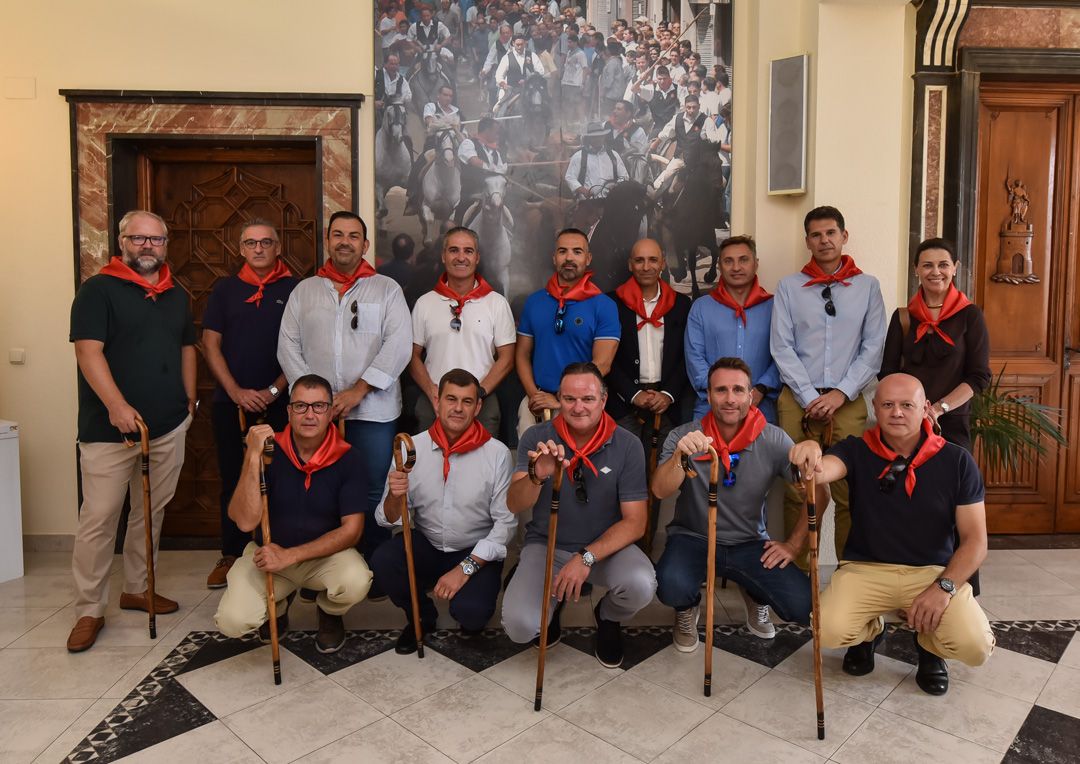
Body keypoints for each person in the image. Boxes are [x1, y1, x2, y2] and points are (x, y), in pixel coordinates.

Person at [789, 373, 995, 695]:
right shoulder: (856, 450)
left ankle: (930, 648)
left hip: (931, 572)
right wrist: (812, 452)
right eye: (887, 404)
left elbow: (976, 542)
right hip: (866, 568)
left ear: (925, 408)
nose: (896, 412)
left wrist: (943, 588)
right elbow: (825, 469)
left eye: (906, 405)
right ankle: (871, 632)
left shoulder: (957, 461)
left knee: (976, 646)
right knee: (826, 631)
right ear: (875, 408)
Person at [67, 210, 196, 652]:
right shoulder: (97, 290)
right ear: (121, 241)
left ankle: (138, 588)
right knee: (99, 519)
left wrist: (189, 402)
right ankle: (89, 609)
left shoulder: (174, 294)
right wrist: (117, 406)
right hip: (110, 430)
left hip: (167, 426)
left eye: (156, 240)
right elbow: (88, 353)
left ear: (166, 245)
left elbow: (186, 347)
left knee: (150, 512)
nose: (147, 246)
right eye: (138, 239)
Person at [277, 212, 412, 586]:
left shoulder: (386, 289)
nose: (345, 242)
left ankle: (371, 566)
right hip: (316, 415)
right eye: (338, 234)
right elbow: (287, 345)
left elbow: (398, 346)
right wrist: (314, 399)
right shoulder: (304, 291)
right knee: (319, 484)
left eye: (354, 236)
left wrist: (358, 390)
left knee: (372, 486)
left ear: (365, 245)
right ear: (327, 239)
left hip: (372, 410)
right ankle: (321, 566)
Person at [501, 363, 656, 668]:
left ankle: (608, 618)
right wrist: (537, 474)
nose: (578, 407)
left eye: (587, 399)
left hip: (605, 550)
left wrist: (585, 558)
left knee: (641, 584)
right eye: (569, 399)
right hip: (547, 543)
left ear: (604, 399)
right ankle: (550, 604)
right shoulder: (537, 437)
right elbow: (514, 505)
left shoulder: (627, 444)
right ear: (559, 399)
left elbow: (636, 523)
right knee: (520, 628)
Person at [652, 358, 811, 648]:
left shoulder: (773, 439)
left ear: (751, 396)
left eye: (738, 390)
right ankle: (686, 607)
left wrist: (794, 544)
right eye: (721, 390)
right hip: (694, 537)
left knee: (802, 606)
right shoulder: (685, 435)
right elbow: (660, 490)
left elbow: (816, 493)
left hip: (750, 542)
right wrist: (678, 458)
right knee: (670, 586)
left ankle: (753, 592)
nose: (729, 399)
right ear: (708, 395)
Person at [214, 375, 373, 654]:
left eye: (319, 407)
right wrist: (252, 456)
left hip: (322, 559)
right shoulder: (269, 451)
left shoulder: (349, 458)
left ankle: (330, 612)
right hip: (268, 555)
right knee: (233, 622)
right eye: (300, 406)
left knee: (356, 580)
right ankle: (277, 606)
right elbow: (244, 521)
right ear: (288, 412)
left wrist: (291, 555)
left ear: (330, 412)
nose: (309, 415)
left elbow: (352, 531)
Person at [770, 206, 886, 565]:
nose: (824, 240)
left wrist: (840, 393)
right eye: (816, 235)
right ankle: (799, 576)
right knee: (799, 487)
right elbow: (781, 346)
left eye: (831, 233)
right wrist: (808, 396)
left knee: (849, 489)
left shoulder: (867, 286)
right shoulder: (789, 287)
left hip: (847, 401)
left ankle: (851, 573)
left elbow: (873, 347)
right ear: (807, 241)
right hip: (798, 401)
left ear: (844, 236)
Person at [372, 369, 517, 653]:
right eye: (451, 399)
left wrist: (464, 570)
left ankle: (468, 608)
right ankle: (421, 615)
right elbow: (386, 518)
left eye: (466, 401)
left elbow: (505, 526)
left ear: (478, 407)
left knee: (472, 614)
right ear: (437, 402)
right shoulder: (411, 447)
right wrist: (394, 495)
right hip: (427, 543)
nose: (458, 408)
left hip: (473, 550)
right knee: (384, 561)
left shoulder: (497, 453)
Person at [203, 219, 299, 589]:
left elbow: (300, 347)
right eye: (251, 243)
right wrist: (237, 392)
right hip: (232, 403)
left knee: (283, 478)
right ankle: (232, 552)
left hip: (283, 403)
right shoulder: (225, 290)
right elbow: (210, 345)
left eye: (266, 242)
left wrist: (275, 391)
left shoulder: (294, 289)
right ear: (240, 249)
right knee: (234, 477)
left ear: (278, 248)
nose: (259, 249)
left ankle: (279, 548)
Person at [880, 238, 990, 450]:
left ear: (955, 268)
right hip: (906, 421)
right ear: (916, 270)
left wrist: (938, 408)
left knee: (952, 479)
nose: (936, 271)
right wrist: (911, 408)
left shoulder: (970, 315)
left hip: (953, 419)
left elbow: (979, 376)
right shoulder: (903, 317)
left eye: (943, 265)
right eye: (927, 265)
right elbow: (888, 372)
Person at [409, 227, 516, 434]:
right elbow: (412, 356)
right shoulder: (425, 303)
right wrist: (432, 391)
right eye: (453, 250)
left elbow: (507, 358)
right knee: (430, 465)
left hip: (481, 403)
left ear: (477, 257)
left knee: (481, 465)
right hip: (435, 402)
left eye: (468, 251)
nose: (461, 257)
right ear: (443, 256)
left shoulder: (497, 303)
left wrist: (479, 393)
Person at [515, 228, 621, 437]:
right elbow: (522, 355)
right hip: (536, 404)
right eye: (563, 251)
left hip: (582, 407)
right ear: (554, 258)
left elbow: (603, 363)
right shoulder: (535, 302)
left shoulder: (604, 305)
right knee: (533, 467)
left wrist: (561, 400)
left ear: (588, 258)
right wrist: (534, 396)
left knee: (576, 468)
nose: (569, 257)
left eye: (577, 252)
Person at [685, 236, 779, 422]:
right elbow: (694, 356)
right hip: (710, 409)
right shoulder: (701, 307)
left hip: (760, 408)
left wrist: (760, 389)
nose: (736, 268)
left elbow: (783, 354)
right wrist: (720, 393)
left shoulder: (775, 307)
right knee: (704, 452)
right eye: (728, 261)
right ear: (719, 266)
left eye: (743, 260)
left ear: (756, 264)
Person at [605, 238, 690, 442]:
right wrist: (633, 394)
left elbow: (687, 356)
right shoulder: (610, 303)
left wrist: (668, 394)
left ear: (663, 263)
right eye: (639, 260)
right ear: (630, 264)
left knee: (665, 465)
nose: (646, 267)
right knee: (626, 467)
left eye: (653, 260)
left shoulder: (681, 304)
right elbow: (605, 358)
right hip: (623, 403)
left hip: (668, 404)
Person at [457, 117, 506, 219]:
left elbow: (502, 170)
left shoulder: (496, 151)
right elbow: (474, 161)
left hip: (493, 193)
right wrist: (492, 168)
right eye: (496, 133)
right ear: (487, 131)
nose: (498, 136)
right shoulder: (468, 143)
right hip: (472, 193)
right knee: (461, 222)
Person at [564, 122, 628, 200]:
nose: (598, 139)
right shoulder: (579, 156)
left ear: (604, 137)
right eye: (594, 137)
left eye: (600, 136)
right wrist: (583, 190)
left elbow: (624, 176)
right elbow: (570, 177)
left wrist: (616, 186)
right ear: (589, 138)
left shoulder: (613, 155)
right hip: (588, 202)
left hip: (611, 201)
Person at [494, 33, 547, 108]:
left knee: (540, 103)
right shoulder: (506, 58)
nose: (519, 47)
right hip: (512, 90)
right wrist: (504, 85)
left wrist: (528, 79)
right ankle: (500, 118)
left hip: (530, 89)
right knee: (500, 107)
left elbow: (541, 71)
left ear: (525, 43)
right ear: (513, 43)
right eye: (517, 44)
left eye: (521, 44)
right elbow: (499, 75)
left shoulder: (532, 55)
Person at [374, 53, 413, 130]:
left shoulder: (401, 80)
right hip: (377, 114)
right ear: (385, 64)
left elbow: (409, 96)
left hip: (395, 115)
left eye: (396, 64)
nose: (394, 67)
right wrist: (373, 102)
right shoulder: (376, 75)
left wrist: (397, 99)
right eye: (392, 64)